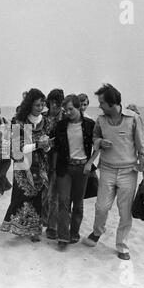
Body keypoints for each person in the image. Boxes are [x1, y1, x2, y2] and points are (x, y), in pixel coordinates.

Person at [82, 84, 144, 260]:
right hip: (107, 169)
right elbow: (95, 138)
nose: (99, 106)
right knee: (101, 207)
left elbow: (142, 145)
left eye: (102, 102)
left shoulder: (133, 118)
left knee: (125, 211)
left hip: (129, 171)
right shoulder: (101, 120)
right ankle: (97, 231)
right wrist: (100, 143)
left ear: (113, 103)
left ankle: (122, 245)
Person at [0, 88, 52, 242]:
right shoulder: (19, 122)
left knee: (37, 198)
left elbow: (48, 148)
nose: (40, 107)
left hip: (40, 165)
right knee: (20, 196)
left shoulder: (47, 121)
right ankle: (17, 226)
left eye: (42, 104)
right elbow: (17, 149)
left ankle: (35, 230)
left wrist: (47, 145)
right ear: (29, 105)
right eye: (37, 105)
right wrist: (38, 144)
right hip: (23, 166)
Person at [53, 94, 97, 251]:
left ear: (79, 107)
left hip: (82, 168)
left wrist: (90, 163)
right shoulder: (61, 125)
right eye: (65, 110)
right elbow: (56, 146)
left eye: (71, 109)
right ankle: (63, 237)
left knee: (78, 203)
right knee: (64, 201)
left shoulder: (90, 125)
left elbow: (98, 145)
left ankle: (74, 234)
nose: (67, 112)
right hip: (65, 168)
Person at [42, 88, 64, 240]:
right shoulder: (42, 117)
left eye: (58, 103)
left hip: (57, 159)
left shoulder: (65, 118)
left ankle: (52, 227)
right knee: (42, 191)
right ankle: (42, 220)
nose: (54, 106)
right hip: (42, 158)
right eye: (52, 102)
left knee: (54, 194)